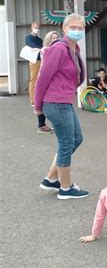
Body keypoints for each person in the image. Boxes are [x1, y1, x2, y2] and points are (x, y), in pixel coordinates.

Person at [35, 13, 89, 199]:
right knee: (66, 143)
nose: (76, 30)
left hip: (64, 101)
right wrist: (38, 106)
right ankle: (65, 188)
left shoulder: (74, 49)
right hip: (55, 102)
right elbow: (42, 78)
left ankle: (51, 178)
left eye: (80, 27)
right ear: (64, 29)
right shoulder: (59, 49)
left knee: (76, 139)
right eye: (72, 27)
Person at [35, 30, 59, 134]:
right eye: (53, 38)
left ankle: (45, 124)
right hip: (44, 78)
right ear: (49, 39)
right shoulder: (45, 50)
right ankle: (41, 125)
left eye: (56, 38)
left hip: (53, 79)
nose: (55, 39)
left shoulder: (58, 50)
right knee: (42, 101)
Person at [26, 22, 43, 106]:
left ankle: (39, 97)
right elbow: (32, 45)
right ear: (32, 27)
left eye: (38, 28)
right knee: (34, 79)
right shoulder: (28, 38)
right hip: (34, 60)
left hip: (41, 60)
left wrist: (40, 48)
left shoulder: (39, 39)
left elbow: (43, 47)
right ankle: (32, 99)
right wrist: (40, 48)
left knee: (40, 80)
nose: (37, 29)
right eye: (35, 28)